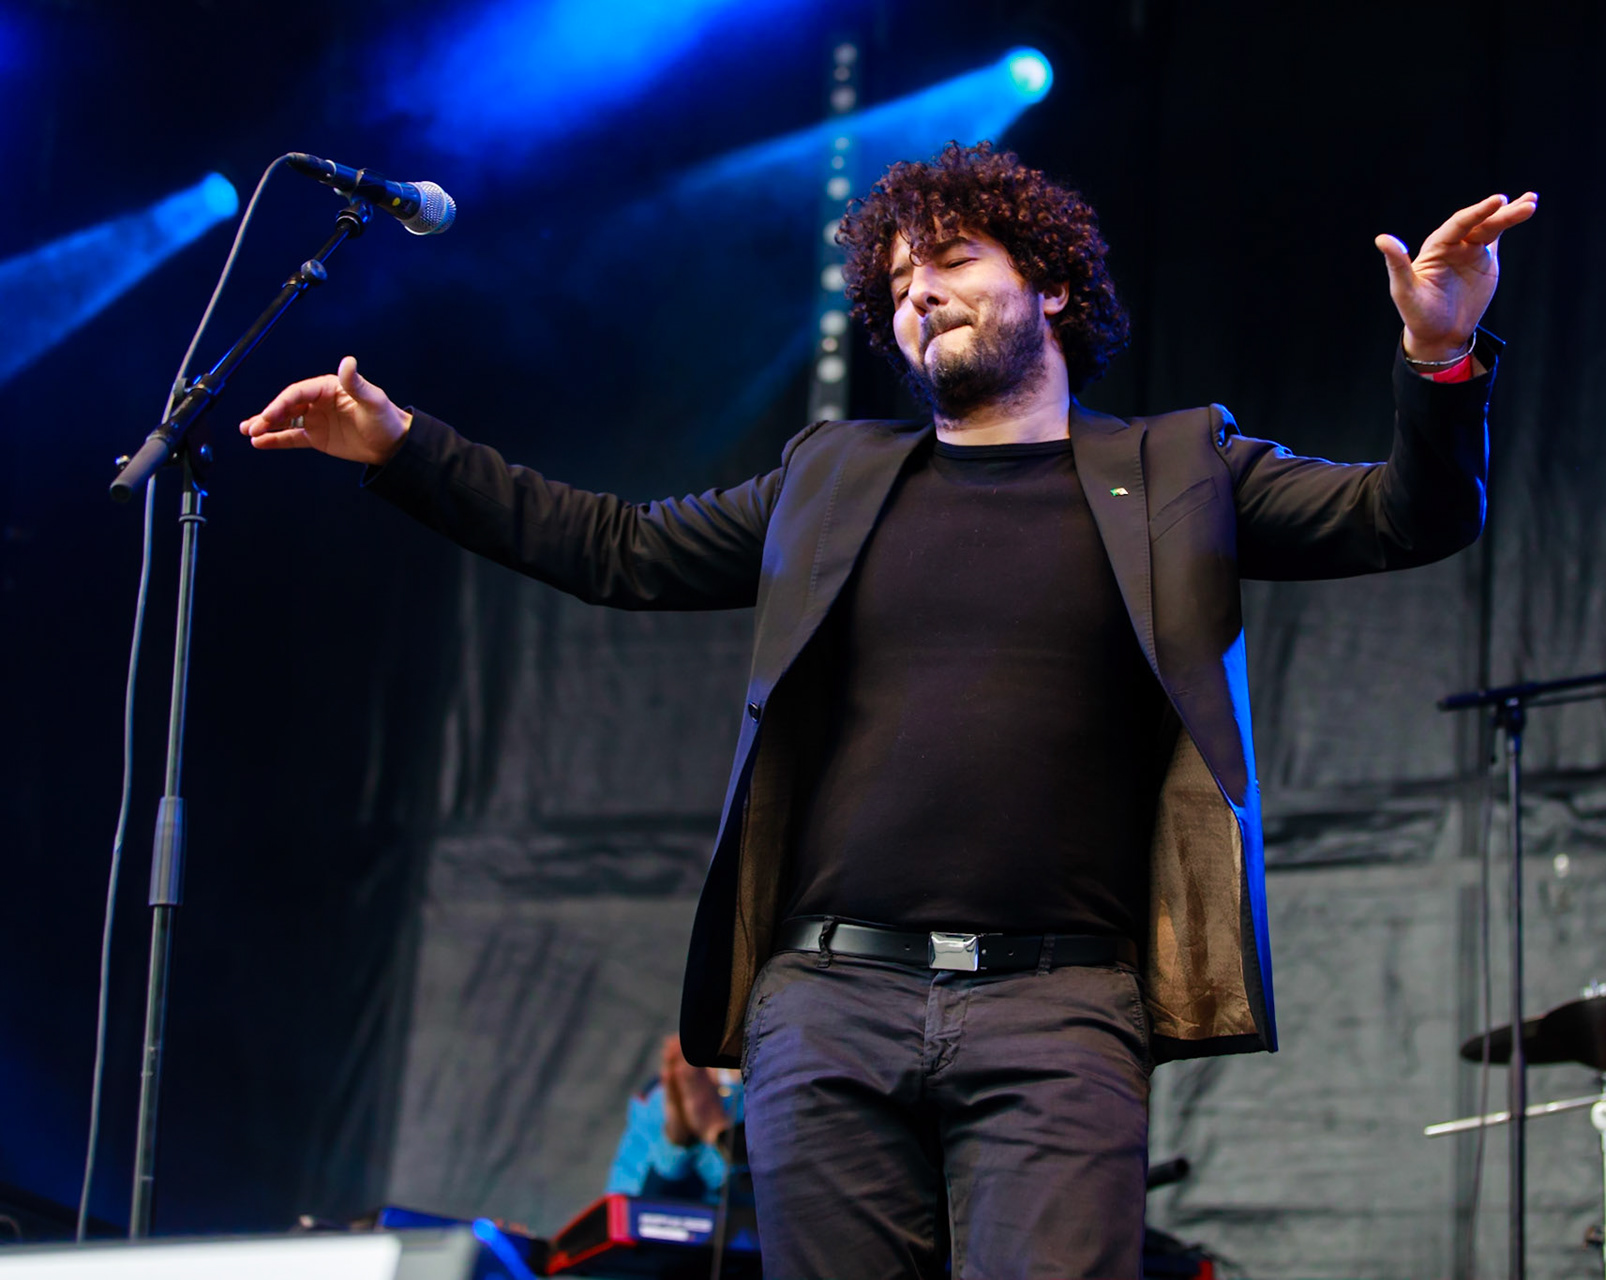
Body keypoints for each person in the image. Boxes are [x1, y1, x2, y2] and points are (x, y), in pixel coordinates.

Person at [240, 141, 1535, 1278]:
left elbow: (1408, 516)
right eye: (900, 282)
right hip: (829, 1001)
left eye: (954, 260)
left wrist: (1437, 350)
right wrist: (407, 449)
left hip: (1062, 1005)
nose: (918, 290)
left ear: (1052, 289)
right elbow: (615, 550)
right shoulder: (831, 475)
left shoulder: (1177, 470)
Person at [606, 1036, 745, 1204]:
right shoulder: (657, 1098)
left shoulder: (776, 1092)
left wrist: (715, 1131)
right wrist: (676, 1142)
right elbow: (623, 1210)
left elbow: (773, 1209)